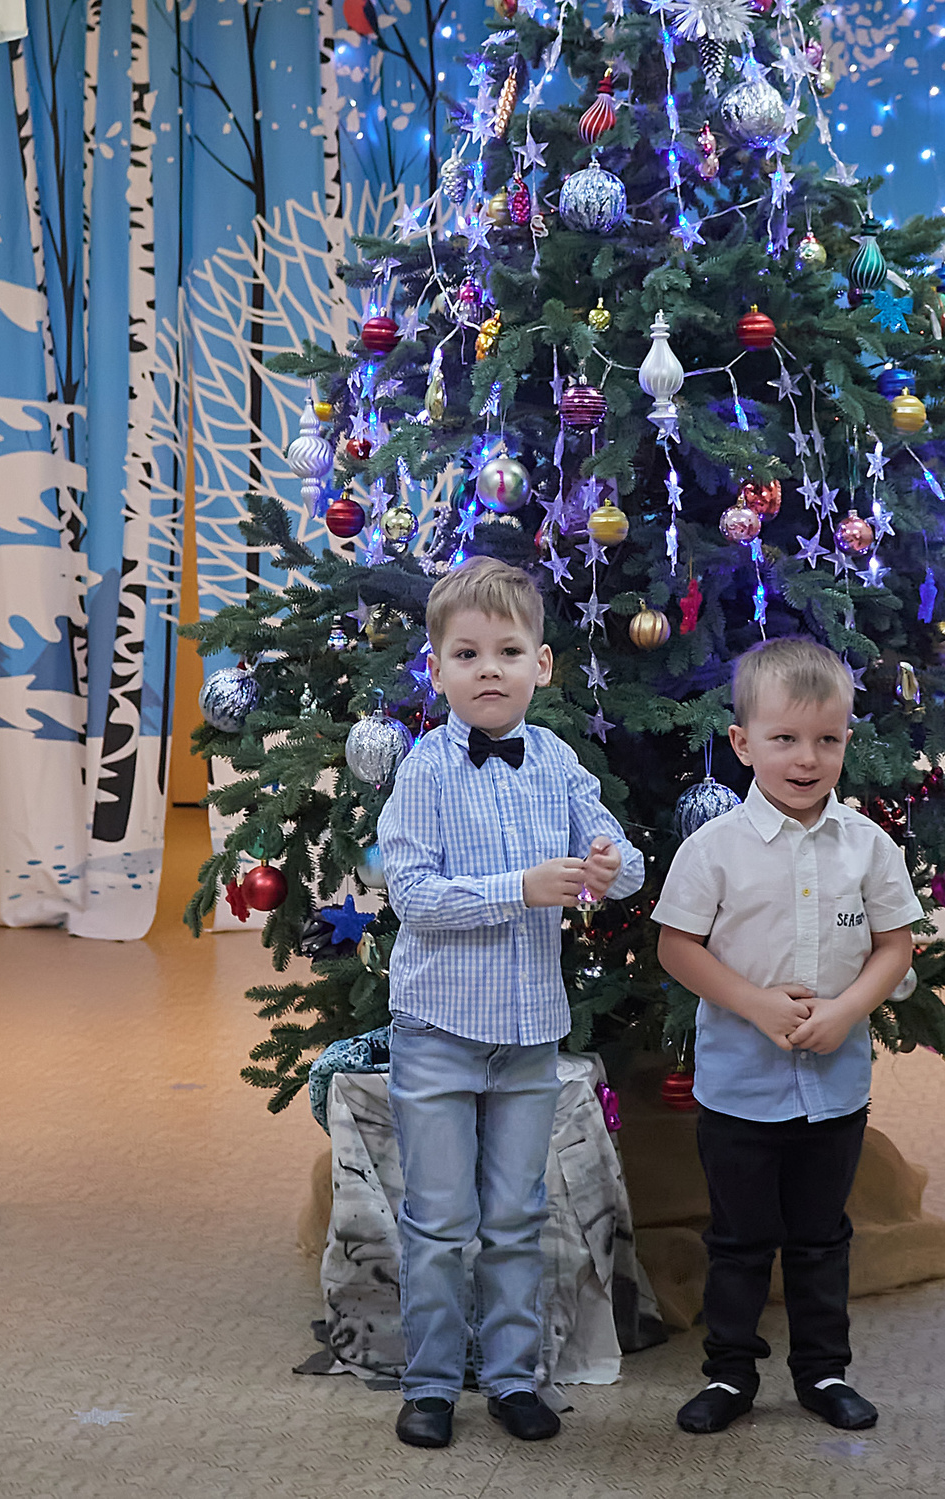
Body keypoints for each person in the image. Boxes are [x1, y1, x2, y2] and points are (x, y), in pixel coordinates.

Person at [374, 556, 646, 1448]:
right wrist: (519, 888)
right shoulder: (424, 772)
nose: (488, 669)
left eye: (508, 651)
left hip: (528, 1031)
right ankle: (429, 1384)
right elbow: (413, 895)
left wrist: (610, 864)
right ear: (436, 668)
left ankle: (512, 1377)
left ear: (542, 663)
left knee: (518, 1215)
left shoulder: (557, 761)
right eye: (466, 653)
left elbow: (621, 862)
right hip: (439, 1029)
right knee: (440, 1219)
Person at [653, 637, 925, 1436]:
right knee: (738, 1239)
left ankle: (823, 1370)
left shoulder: (868, 844)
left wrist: (847, 1011)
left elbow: (895, 945)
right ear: (743, 743)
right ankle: (730, 1373)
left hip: (835, 1087)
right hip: (739, 1086)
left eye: (826, 739)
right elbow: (677, 946)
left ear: (846, 740)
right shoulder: (713, 848)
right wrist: (754, 1004)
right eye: (785, 738)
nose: (807, 758)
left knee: (821, 1236)